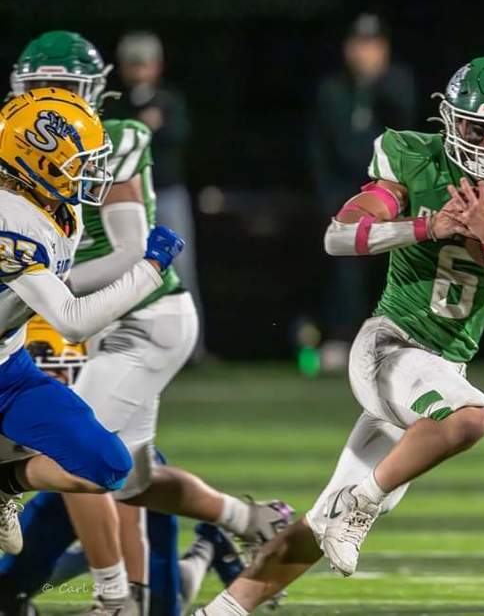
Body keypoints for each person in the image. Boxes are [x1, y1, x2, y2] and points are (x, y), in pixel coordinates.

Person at [193, 56, 484, 616]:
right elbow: (339, 236)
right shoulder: (413, 156)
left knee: (320, 521)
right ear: (449, 119)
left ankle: (222, 610)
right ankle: (365, 501)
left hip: (442, 371)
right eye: (477, 127)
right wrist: (429, 225)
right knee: (471, 417)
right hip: (390, 347)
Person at [10, 31, 293, 616]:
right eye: (45, 90)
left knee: (85, 460)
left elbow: (130, 254)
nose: (55, 106)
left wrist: (42, 287)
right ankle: (243, 522)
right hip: (80, 318)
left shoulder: (107, 142)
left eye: (67, 89)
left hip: (140, 313)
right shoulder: (15, 155)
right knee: (130, 475)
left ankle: (116, 599)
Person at [0, 87, 182, 557]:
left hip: (9, 366)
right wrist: (149, 268)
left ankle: (3, 485)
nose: (90, 171)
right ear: (37, 161)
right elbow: (72, 321)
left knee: (106, 465)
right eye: (79, 160)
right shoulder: (8, 218)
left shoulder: (54, 206)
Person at [0, 316, 245, 616]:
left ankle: (207, 548)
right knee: (7, 593)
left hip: (118, 482)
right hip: (56, 481)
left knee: (157, 608)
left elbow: (113, 472)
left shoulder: (88, 330)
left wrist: (117, 595)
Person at [308, 13, 418, 371]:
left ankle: (395, 340)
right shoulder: (332, 90)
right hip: (345, 192)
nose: (364, 52)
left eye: (372, 45)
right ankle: (343, 338)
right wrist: (327, 195)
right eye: (359, 44)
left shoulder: (397, 84)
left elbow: (408, 134)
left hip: (389, 191)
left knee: (394, 264)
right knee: (344, 268)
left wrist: (404, 194)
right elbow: (319, 147)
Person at [104, 31, 206, 362]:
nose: (138, 71)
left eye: (143, 64)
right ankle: (127, 342)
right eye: (132, 64)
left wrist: (141, 129)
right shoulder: (115, 102)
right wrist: (142, 125)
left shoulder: (168, 99)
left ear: (157, 65)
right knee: (124, 269)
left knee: (180, 270)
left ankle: (191, 348)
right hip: (124, 197)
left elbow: (179, 136)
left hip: (166, 193)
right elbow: (112, 142)